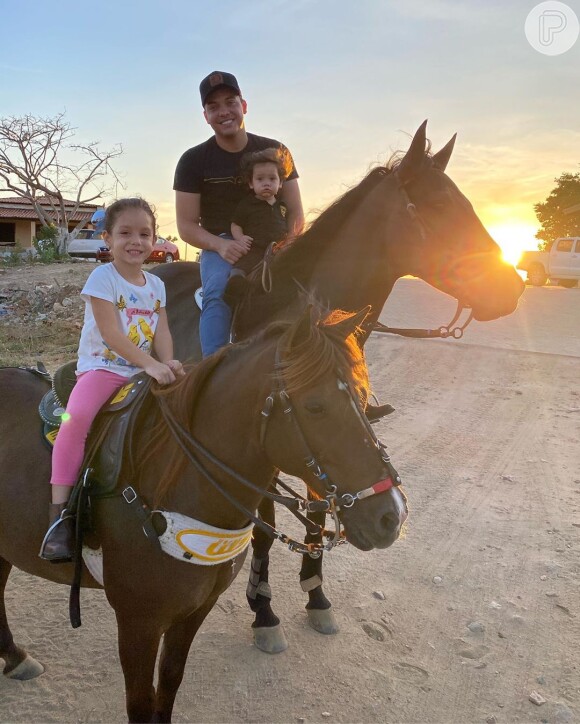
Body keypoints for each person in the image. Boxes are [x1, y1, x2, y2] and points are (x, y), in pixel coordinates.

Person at [39, 197, 185, 563]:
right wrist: (150, 365)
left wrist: (168, 361)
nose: (135, 241)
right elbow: (111, 334)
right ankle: (60, 516)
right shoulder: (102, 277)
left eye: (144, 233)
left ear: (154, 240)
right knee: (76, 423)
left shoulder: (156, 285)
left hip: (142, 369)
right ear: (107, 238)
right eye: (125, 233)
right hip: (102, 369)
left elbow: (162, 330)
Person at [174, 70, 304, 357]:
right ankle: (213, 370)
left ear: (244, 106)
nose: (224, 112)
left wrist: (291, 243)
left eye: (230, 102)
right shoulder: (193, 161)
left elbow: (295, 211)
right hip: (223, 245)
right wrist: (221, 245)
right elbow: (185, 225)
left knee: (315, 289)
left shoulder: (277, 151)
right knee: (218, 292)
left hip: (276, 241)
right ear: (205, 116)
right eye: (213, 107)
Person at [226, 146, 292, 297]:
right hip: (254, 248)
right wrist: (240, 238)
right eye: (260, 179)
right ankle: (234, 287)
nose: (266, 183)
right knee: (242, 266)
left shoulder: (282, 206)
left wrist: (288, 242)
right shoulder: (247, 204)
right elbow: (236, 224)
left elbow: (287, 227)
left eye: (272, 179)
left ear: (280, 183)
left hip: (277, 249)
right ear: (251, 183)